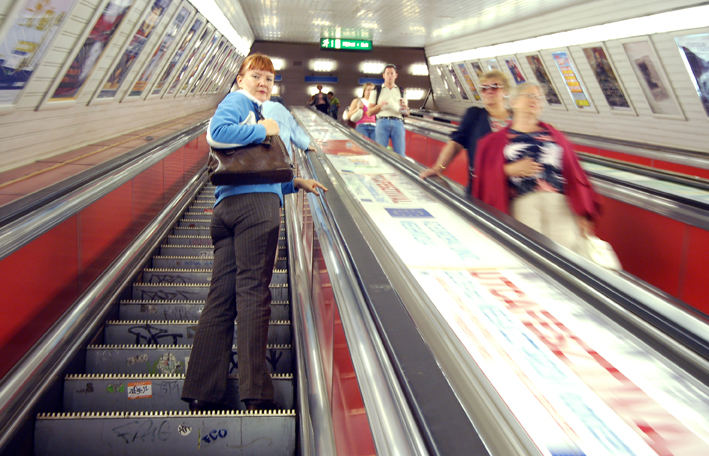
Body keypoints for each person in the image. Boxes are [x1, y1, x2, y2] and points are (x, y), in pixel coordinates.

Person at [181, 53, 326, 412]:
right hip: (255, 212)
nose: (263, 83)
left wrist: (295, 183)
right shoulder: (240, 102)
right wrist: (265, 130)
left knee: (221, 299)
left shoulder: (255, 108)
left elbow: (255, 169)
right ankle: (255, 391)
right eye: (256, 76)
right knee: (253, 295)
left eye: (268, 78)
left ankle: (203, 388)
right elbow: (216, 134)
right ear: (240, 79)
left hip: (228, 209)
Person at [473, 82, 600, 253]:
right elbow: (482, 178)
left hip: (559, 205)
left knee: (567, 256)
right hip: (523, 204)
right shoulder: (494, 142)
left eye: (539, 98)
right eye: (530, 96)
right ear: (514, 101)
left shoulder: (556, 137)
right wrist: (509, 170)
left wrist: (584, 212)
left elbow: (575, 173)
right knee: (530, 255)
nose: (535, 100)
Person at [419, 70, 512, 194]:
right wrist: (438, 168)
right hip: (482, 188)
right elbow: (455, 144)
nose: (489, 91)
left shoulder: (517, 118)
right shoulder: (474, 115)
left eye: (494, 86)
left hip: (512, 187)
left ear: (505, 91)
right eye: (484, 88)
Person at [367, 64, 408, 156]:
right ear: (383, 75)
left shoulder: (401, 91)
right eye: (388, 73)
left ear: (396, 75)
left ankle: (399, 170)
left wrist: (404, 108)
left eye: (392, 73)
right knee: (380, 153)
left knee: (400, 154)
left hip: (398, 122)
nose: (390, 76)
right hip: (382, 122)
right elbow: (369, 112)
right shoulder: (377, 90)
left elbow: (406, 113)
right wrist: (379, 106)